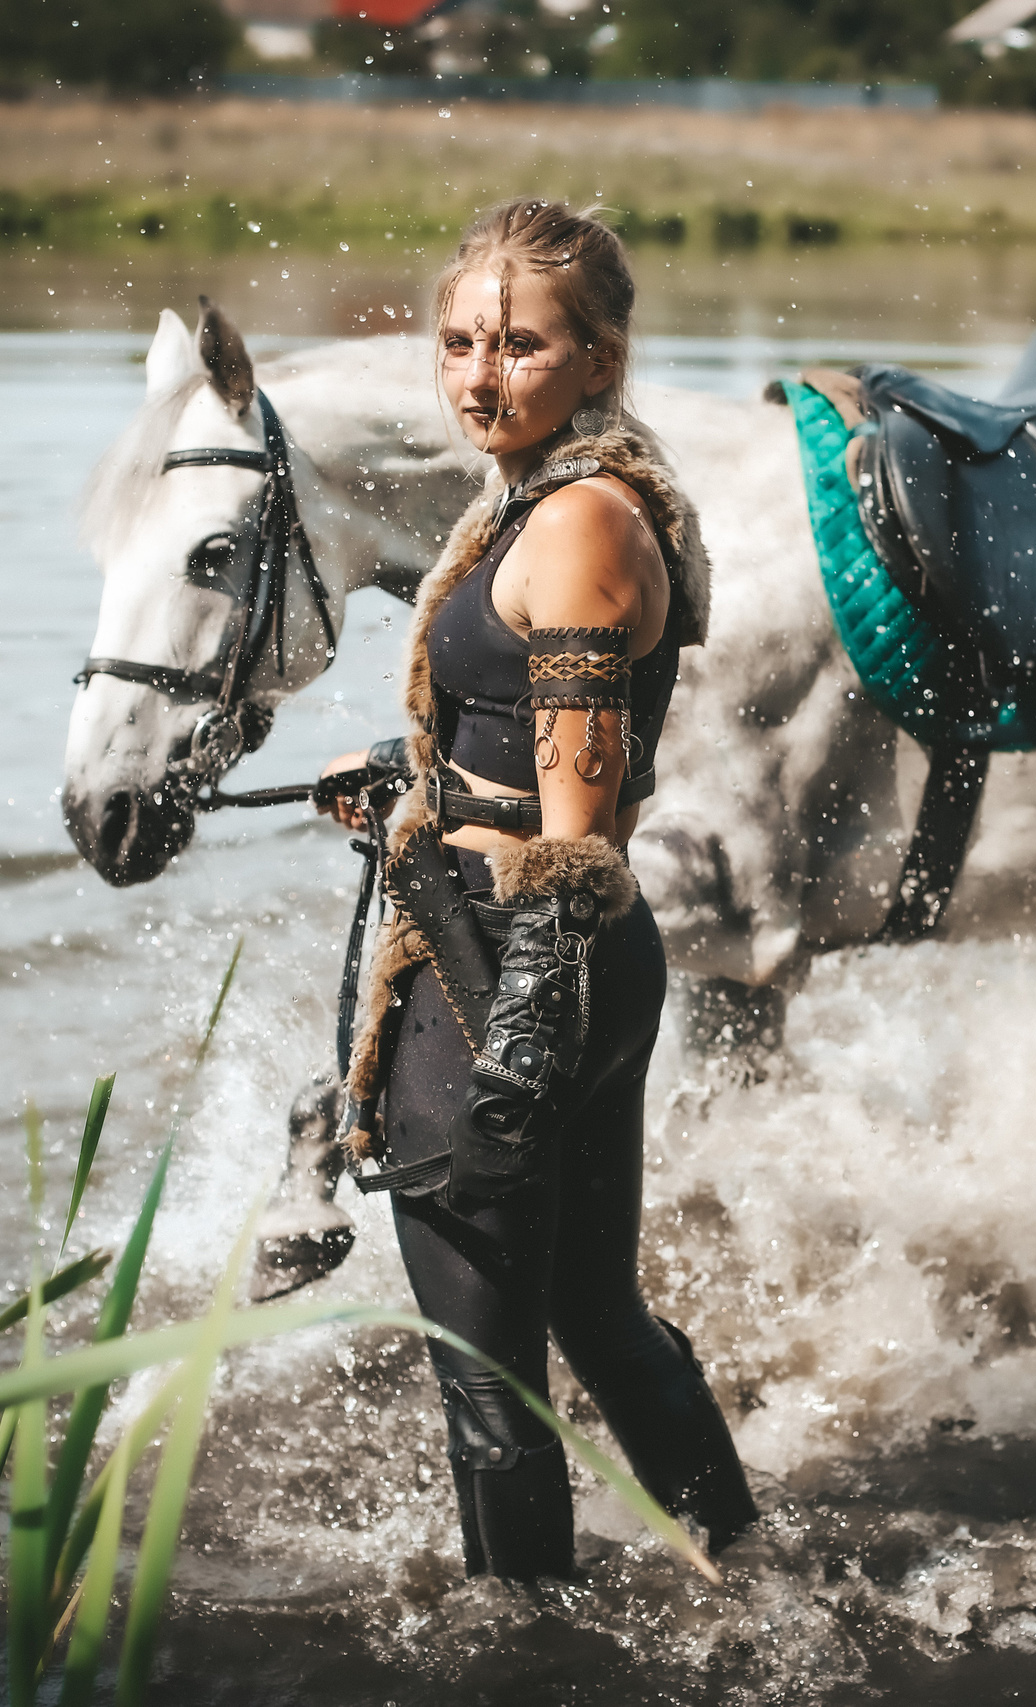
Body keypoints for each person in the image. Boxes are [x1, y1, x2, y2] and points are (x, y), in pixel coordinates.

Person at [315, 199, 758, 1581]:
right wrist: (412, 770)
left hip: (511, 960)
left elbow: (577, 822)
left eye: (519, 345)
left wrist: (522, 1015)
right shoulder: (574, 497)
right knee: (595, 1313)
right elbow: (550, 727)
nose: (478, 375)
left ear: (600, 357)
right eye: (458, 342)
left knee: (486, 1379)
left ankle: (523, 1653)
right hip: (565, 953)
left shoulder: (573, 525)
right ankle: (741, 1565)